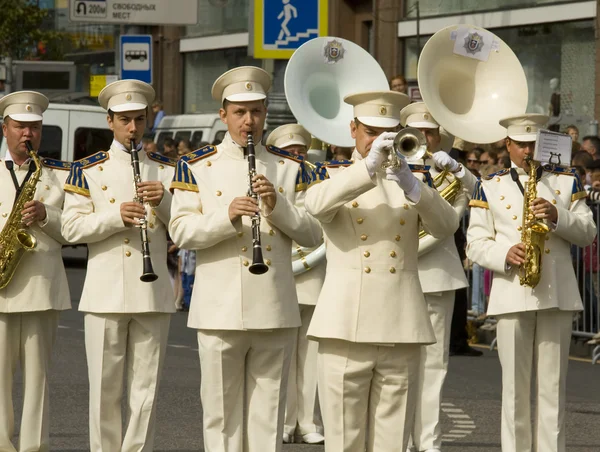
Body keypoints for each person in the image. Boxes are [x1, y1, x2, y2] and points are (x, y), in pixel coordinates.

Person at [168, 66, 322, 452]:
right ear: (223, 115)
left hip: (273, 304)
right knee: (220, 414)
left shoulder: (290, 166)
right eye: (239, 112)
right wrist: (228, 216)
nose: (249, 121)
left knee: (268, 413)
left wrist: (277, 206)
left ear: (266, 113)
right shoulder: (196, 165)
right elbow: (181, 231)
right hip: (220, 308)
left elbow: (313, 233)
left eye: (256, 111)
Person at [304, 90, 459, 451]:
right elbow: (316, 205)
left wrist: (411, 184)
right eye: (371, 132)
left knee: (393, 439)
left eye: (387, 132)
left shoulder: (413, 177)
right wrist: (367, 168)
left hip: (400, 322)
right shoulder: (332, 173)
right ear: (353, 129)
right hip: (345, 324)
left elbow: (446, 226)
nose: (380, 141)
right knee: (344, 439)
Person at [467, 113, 596, 452]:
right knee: (514, 387)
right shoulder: (490, 184)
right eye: (520, 144)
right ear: (507, 145)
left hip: (556, 291)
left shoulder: (567, 181)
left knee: (553, 386)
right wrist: (504, 253)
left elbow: (588, 233)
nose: (528, 151)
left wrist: (558, 216)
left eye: (532, 143)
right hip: (512, 291)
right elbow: (476, 242)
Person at [61, 80, 176, 451]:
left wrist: (166, 201)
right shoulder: (88, 170)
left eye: (139, 120)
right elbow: (70, 228)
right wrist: (115, 217)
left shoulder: (167, 170)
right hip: (105, 292)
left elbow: (188, 228)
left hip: (153, 290)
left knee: (146, 392)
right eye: (124, 120)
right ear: (109, 121)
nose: (132, 128)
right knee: (104, 389)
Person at [399, 102, 478, 452]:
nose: (425, 139)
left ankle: (429, 440)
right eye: (418, 133)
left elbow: (477, 191)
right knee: (398, 366)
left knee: (434, 366)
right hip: (397, 275)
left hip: (438, 277)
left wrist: (457, 167)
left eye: (431, 133)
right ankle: (398, 439)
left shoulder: (451, 174)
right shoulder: (391, 170)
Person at [0, 91, 71, 452]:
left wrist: (47, 215)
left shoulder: (57, 175)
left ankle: (33, 448)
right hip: (1, 288)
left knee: (38, 379)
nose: (28, 134)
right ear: (5, 129)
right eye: (21, 127)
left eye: (35, 127)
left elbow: (75, 229)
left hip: (42, 286)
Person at [266, 124, 325, 445]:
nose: (297, 157)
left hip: (313, 276)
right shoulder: (273, 177)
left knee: (311, 355)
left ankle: (308, 421)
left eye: (301, 151)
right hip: (283, 276)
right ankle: (286, 421)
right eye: (291, 152)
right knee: (283, 357)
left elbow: (320, 226)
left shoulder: (316, 178)